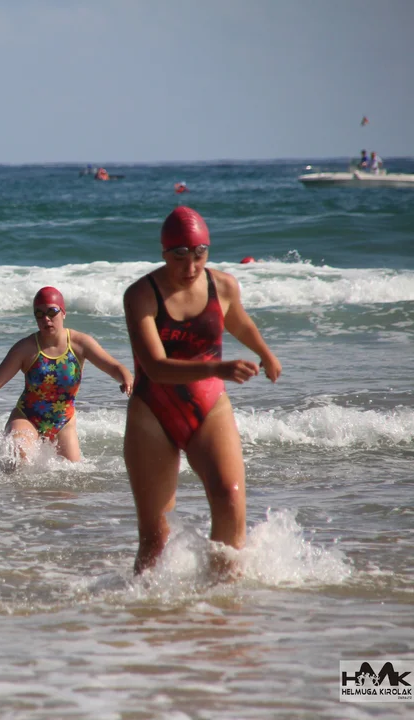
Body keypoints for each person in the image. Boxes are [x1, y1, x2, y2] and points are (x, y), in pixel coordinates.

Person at [122, 206, 281, 575]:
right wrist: (218, 368)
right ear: (164, 253)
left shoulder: (222, 286)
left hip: (209, 406)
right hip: (153, 412)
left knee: (229, 499)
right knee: (155, 537)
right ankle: (140, 605)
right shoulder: (141, 295)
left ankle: (221, 596)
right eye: (180, 256)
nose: (191, 267)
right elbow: (156, 367)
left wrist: (266, 353)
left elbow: (238, 321)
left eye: (199, 254)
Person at [0, 287, 133, 463]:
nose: (46, 318)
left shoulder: (80, 343)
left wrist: (126, 379)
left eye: (52, 312)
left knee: (71, 475)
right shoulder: (25, 348)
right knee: (18, 455)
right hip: (27, 417)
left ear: (63, 313)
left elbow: (114, 367)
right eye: (39, 314)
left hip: (64, 422)